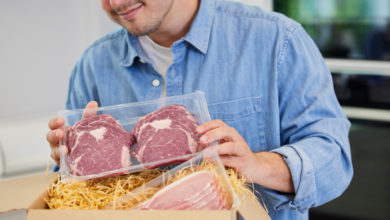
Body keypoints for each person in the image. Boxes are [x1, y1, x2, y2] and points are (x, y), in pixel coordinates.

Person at [46, 0, 353, 219]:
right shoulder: (93, 65)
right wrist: (73, 161)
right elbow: (72, 193)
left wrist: (257, 165)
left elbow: (334, 160)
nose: (115, 2)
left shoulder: (277, 40)